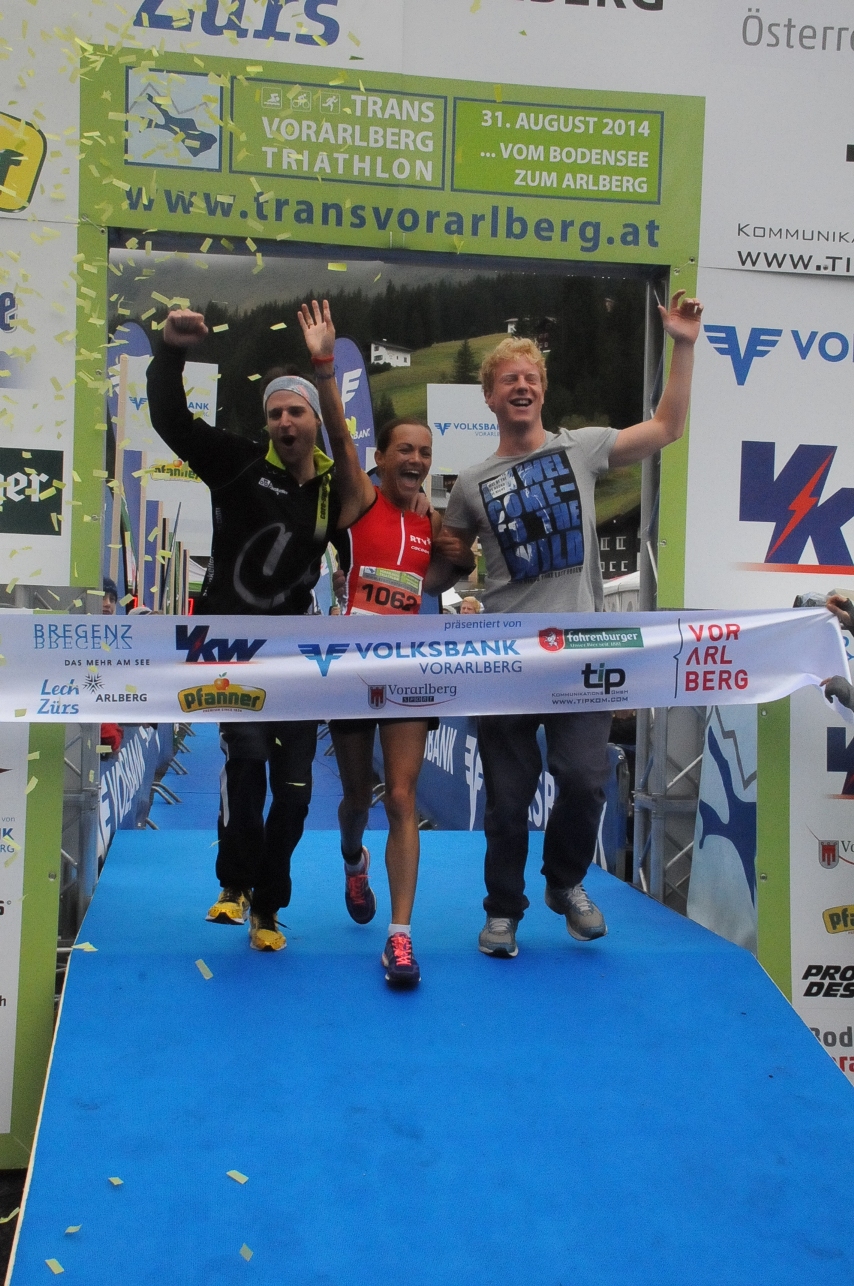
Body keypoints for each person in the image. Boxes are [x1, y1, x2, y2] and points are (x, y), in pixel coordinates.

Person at [442, 290, 704, 958]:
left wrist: (682, 344)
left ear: (543, 390)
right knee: (507, 800)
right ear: (490, 398)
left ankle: (565, 883)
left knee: (586, 779)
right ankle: (503, 911)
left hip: (584, 654)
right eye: (509, 379)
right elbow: (447, 560)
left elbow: (667, 427)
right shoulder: (470, 484)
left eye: (531, 377)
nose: (522, 386)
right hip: (505, 657)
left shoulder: (580, 449)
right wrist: (441, 592)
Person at [146, 306, 372, 953]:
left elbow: (363, 516)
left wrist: (324, 372)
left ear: (315, 420)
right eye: (274, 413)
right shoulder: (238, 462)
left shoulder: (332, 492)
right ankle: (235, 884)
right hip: (232, 653)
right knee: (245, 764)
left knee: (295, 796)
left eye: (295, 412)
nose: (284, 422)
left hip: (297, 663)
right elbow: (172, 421)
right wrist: (170, 352)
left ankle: (269, 905)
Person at [298, 301, 473, 986]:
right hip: (351, 667)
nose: (417, 460)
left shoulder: (431, 523)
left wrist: (461, 559)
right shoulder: (361, 501)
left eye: (425, 453)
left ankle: (399, 938)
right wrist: (323, 366)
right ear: (383, 458)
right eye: (406, 450)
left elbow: (439, 579)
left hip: (409, 670)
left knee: (401, 796)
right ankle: (353, 860)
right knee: (356, 799)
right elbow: (339, 438)